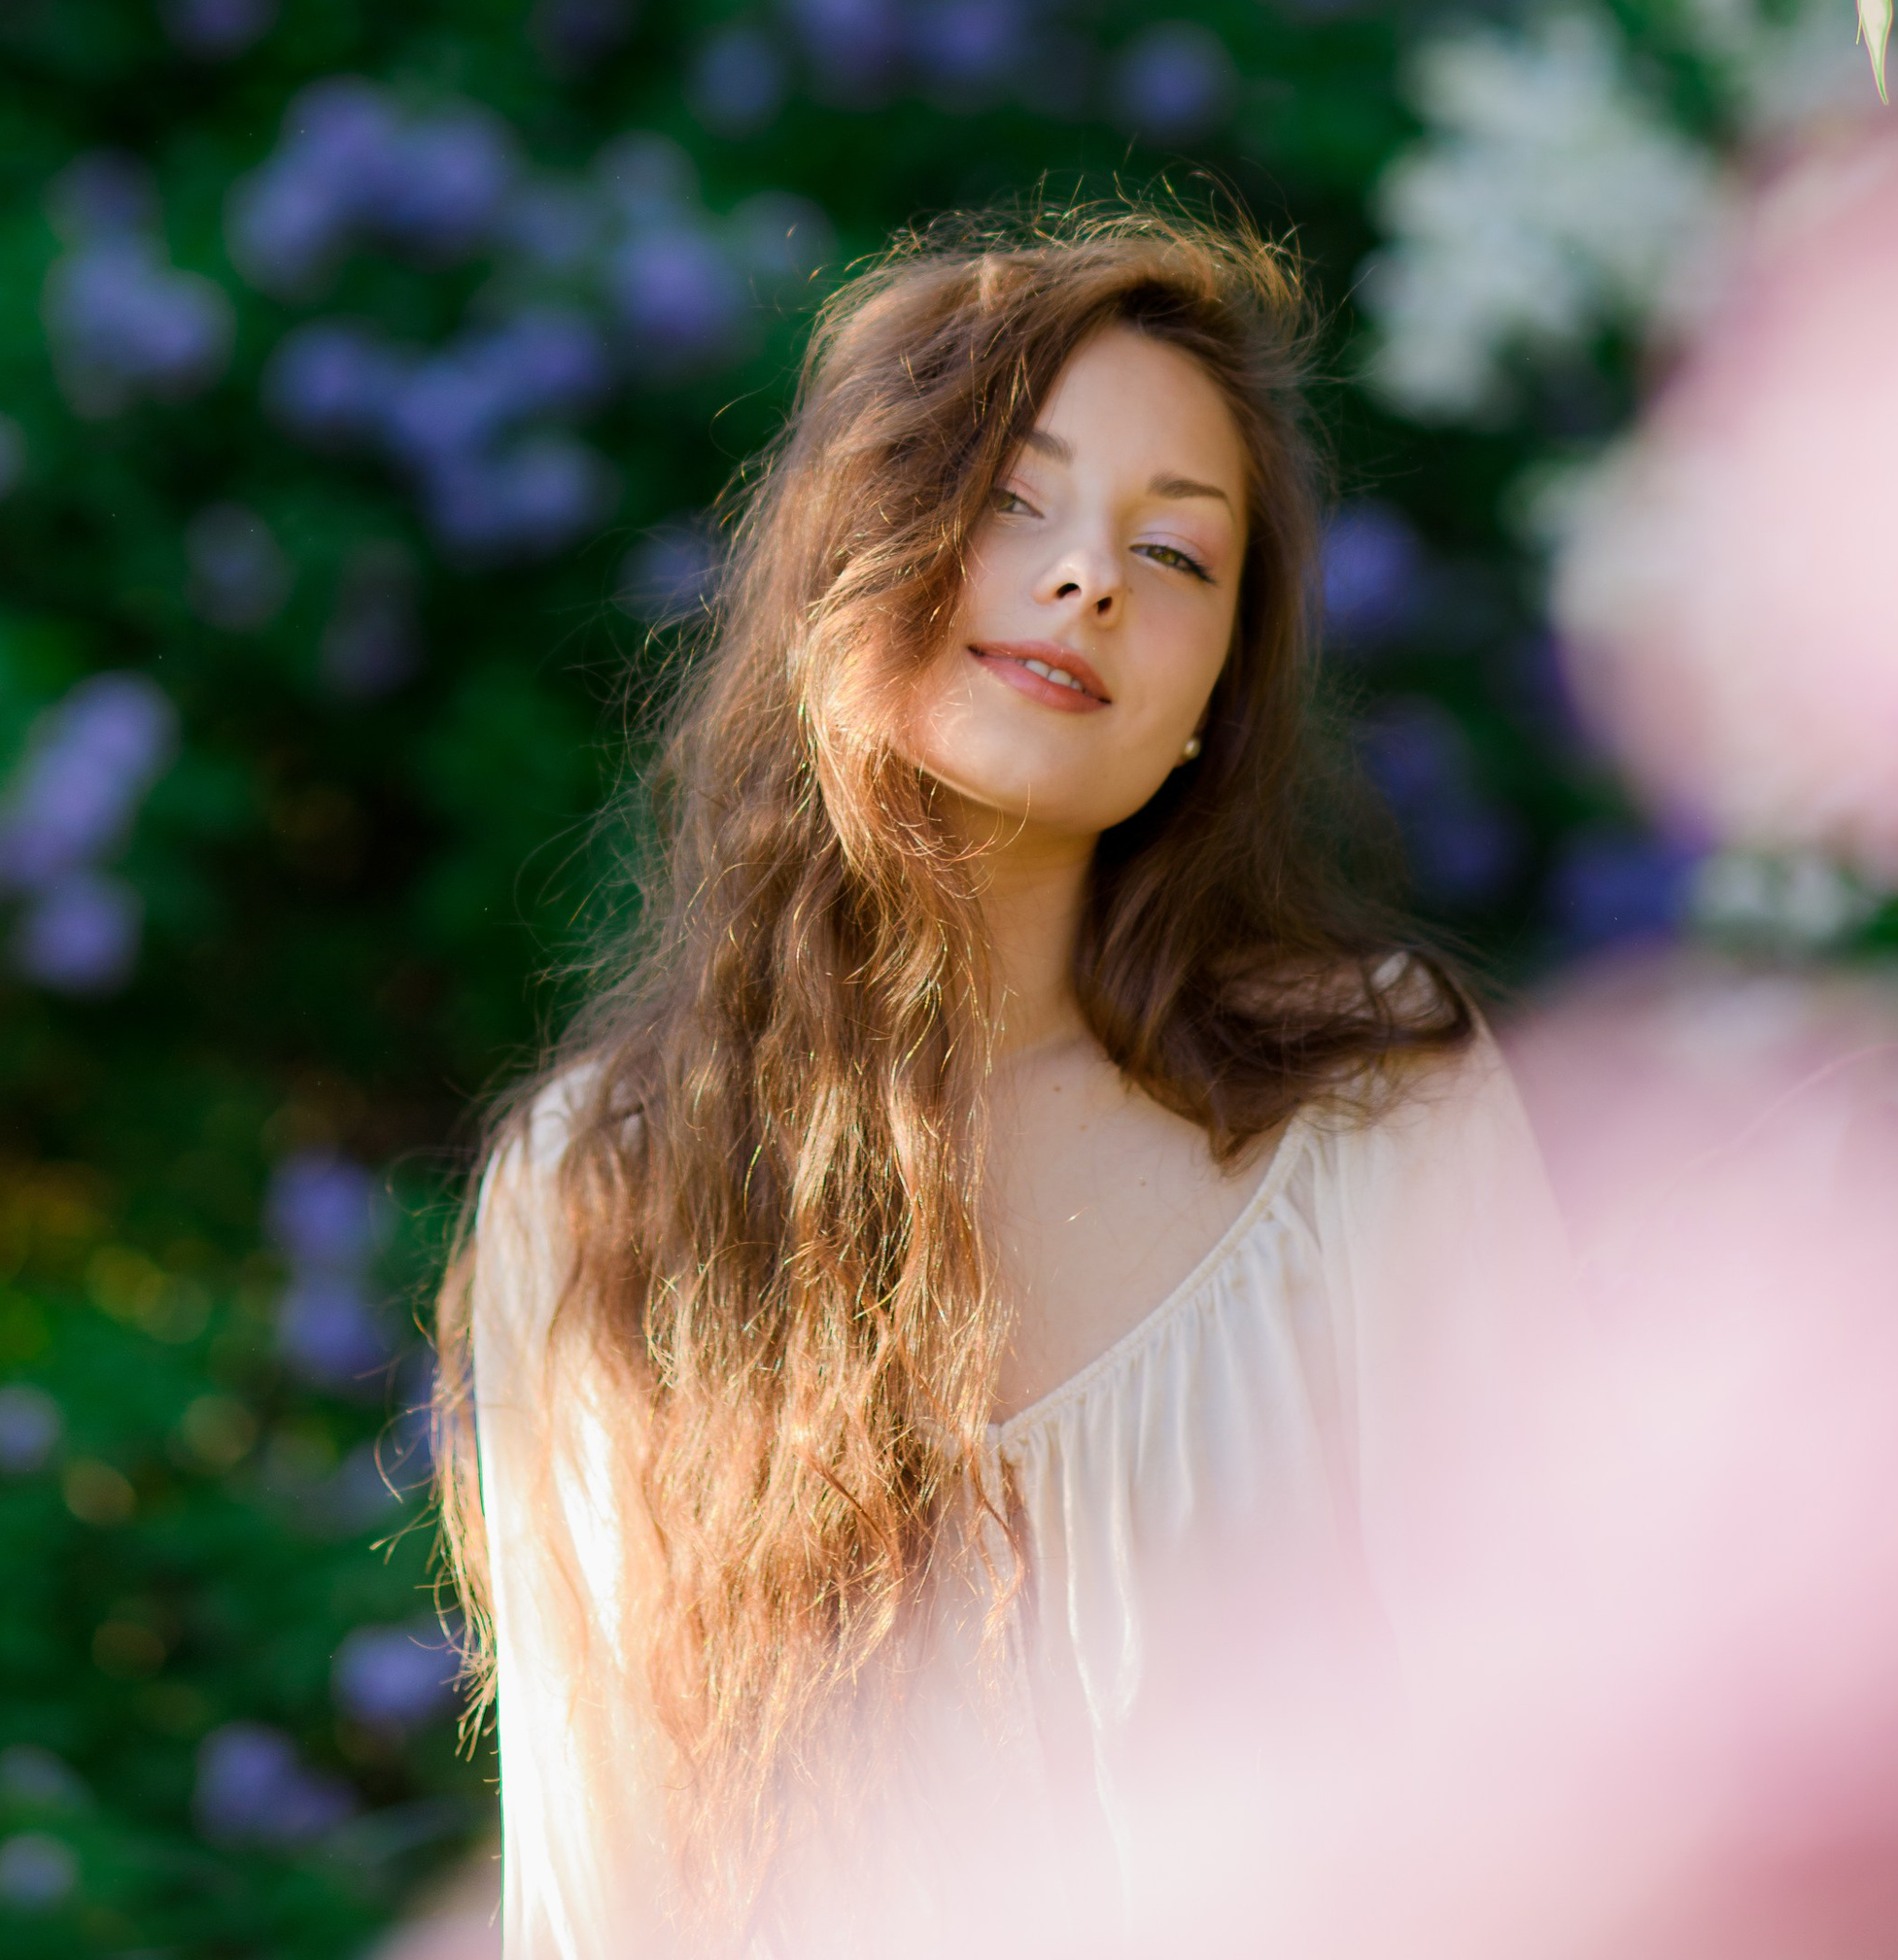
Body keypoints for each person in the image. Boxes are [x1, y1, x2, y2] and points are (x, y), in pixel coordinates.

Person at [434, 207, 1563, 1958]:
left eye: (1178, 557)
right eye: (1017, 501)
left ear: (1211, 697)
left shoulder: (1369, 1106)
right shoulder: (606, 1190)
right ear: (854, 554)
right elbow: (604, 1903)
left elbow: (1572, 1781)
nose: (1092, 576)